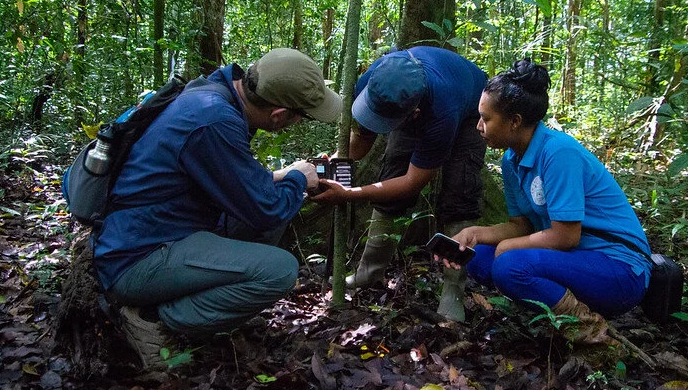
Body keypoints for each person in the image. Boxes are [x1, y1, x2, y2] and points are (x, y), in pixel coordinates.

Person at [93, 48, 342, 367]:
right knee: (279, 271)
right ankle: (152, 319)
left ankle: (187, 307)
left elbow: (226, 178)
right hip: (136, 257)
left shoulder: (215, 93)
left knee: (276, 202)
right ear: (279, 115)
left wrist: (284, 177)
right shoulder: (214, 120)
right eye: (301, 116)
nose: (297, 124)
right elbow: (267, 209)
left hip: (159, 232)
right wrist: (297, 179)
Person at [437, 58, 652, 345]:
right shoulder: (511, 159)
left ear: (514, 121)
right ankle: (556, 315)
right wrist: (475, 235)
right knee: (479, 260)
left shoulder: (558, 152)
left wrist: (507, 247)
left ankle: (592, 333)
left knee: (509, 264)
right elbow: (521, 225)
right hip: (577, 259)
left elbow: (566, 236)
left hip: (619, 268)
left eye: (486, 119)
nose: (478, 126)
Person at [310, 46, 487, 322]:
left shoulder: (443, 111)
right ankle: (370, 271)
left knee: (459, 195)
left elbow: (412, 182)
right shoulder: (376, 81)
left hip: (469, 111)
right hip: (420, 100)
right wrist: (335, 161)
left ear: (414, 114)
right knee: (392, 171)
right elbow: (364, 138)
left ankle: (453, 288)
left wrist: (350, 194)